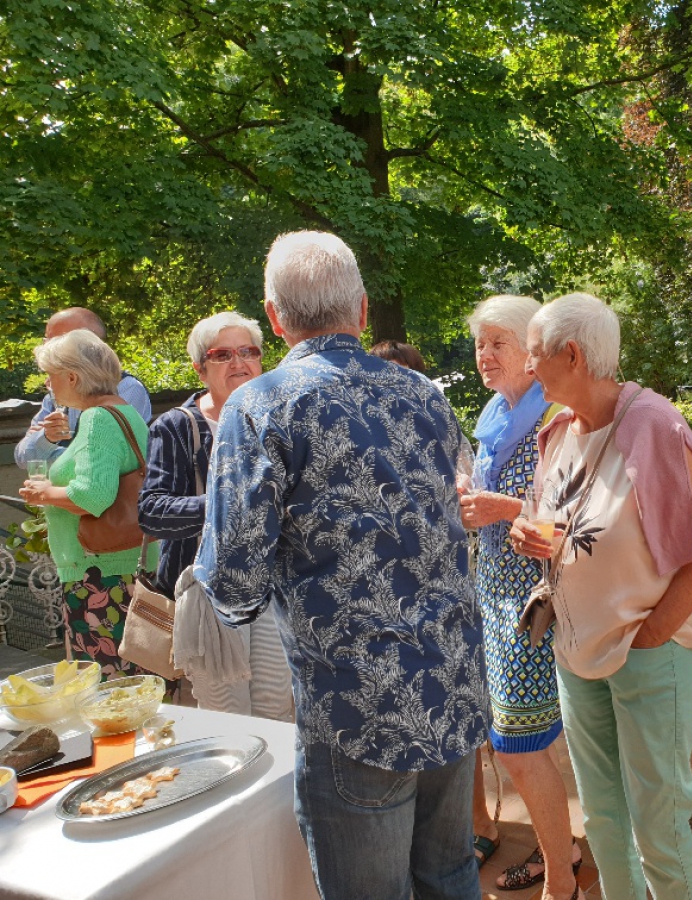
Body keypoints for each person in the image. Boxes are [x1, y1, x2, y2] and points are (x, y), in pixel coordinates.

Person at [193, 231, 487, 900]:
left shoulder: (259, 404)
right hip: (453, 681)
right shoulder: (425, 394)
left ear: (274, 317)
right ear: (359, 309)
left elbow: (233, 582)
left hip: (359, 706)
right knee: (449, 876)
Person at [511, 293, 692, 900]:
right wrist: (526, 528)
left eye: (534, 355)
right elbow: (558, 519)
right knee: (602, 818)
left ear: (571, 355)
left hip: (648, 651)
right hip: (576, 649)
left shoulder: (650, 423)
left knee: (659, 828)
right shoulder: (561, 432)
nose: (528, 367)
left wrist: (652, 633)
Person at [458, 295, 581, 897]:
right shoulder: (494, 418)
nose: (484, 354)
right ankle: (565, 854)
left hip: (534, 602)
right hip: (495, 597)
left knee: (517, 746)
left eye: (498, 343)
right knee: (515, 746)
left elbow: (583, 517)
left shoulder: (555, 417)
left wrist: (502, 508)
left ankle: (562, 881)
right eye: (480, 343)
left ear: (533, 356)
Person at [137, 311, 292, 721]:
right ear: (199, 369)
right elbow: (152, 513)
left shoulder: (277, 420)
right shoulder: (176, 427)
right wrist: (227, 504)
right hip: (209, 598)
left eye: (248, 351)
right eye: (223, 355)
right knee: (227, 720)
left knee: (278, 713)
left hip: (273, 592)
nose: (239, 363)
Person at [18, 330, 159, 681]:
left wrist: (45, 493)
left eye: (50, 376)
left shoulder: (98, 419)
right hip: (123, 570)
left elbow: (92, 497)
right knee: (138, 687)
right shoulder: (123, 412)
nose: (48, 386)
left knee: (112, 695)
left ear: (72, 376)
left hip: (101, 577)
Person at [15, 308, 152, 469]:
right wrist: (45, 438)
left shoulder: (125, 391)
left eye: (57, 340)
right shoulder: (56, 396)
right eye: (47, 340)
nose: (47, 347)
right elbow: (23, 458)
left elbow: (98, 462)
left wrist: (49, 453)